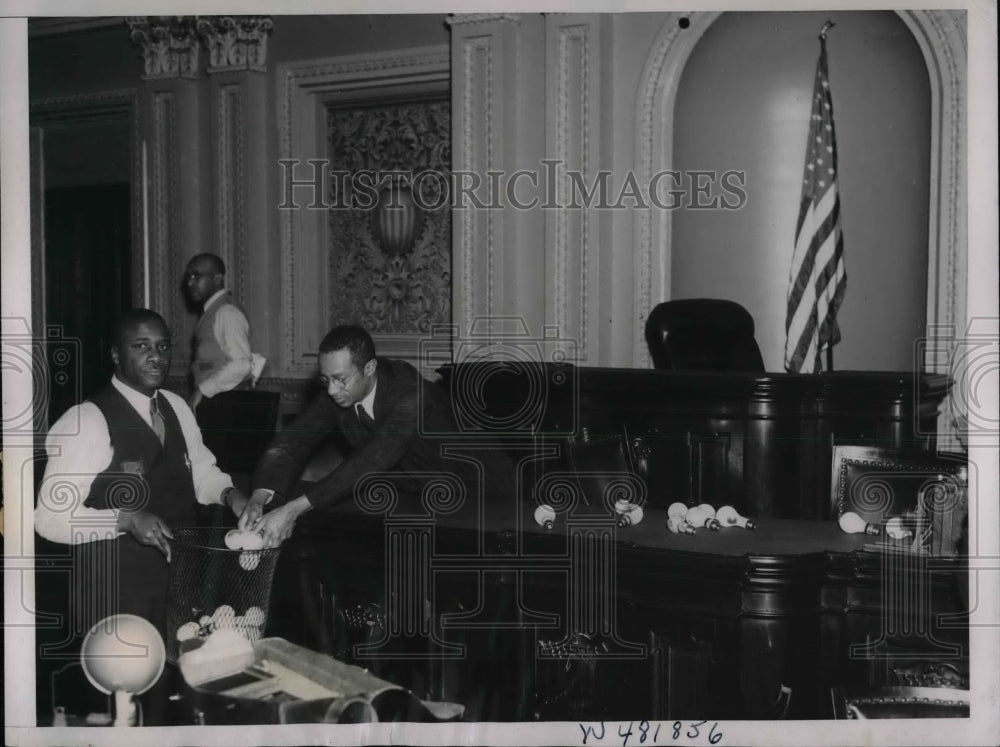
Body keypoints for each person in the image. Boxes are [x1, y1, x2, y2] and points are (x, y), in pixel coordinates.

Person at [35, 309, 252, 648]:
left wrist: (229, 494)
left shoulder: (177, 406)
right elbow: (48, 520)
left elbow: (201, 473)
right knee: (126, 697)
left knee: (176, 689)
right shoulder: (86, 421)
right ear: (115, 355)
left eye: (163, 347)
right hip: (115, 595)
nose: (156, 357)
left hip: (178, 587)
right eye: (141, 346)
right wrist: (124, 520)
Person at [240, 325, 516, 547]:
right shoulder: (338, 394)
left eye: (340, 379)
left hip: (486, 489)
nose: (332, 391)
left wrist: (293, 509)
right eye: (326, 380)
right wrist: (259, 496)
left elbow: (373, 459)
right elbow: (291, 443)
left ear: (369, 369)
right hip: (426, 493)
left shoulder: (409, 392)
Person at [183, 252, 265, 414]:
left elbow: (241, 364)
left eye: (197, 276)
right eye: (189, 277)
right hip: (215, 403)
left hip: (224, 406)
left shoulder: (226, 312)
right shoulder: (212, 312)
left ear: (218, 279)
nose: (190, 283)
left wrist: (203, 390)